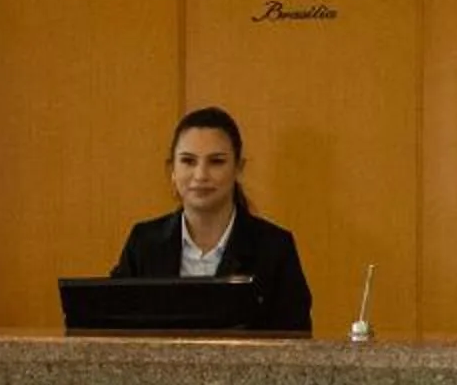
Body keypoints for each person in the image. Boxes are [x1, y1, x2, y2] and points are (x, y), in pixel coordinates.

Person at [108, 105, 313, 333]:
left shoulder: (274, 247)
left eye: (216, 162)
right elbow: (112, 328)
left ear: (238, 168)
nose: (201, 175)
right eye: (188, 161)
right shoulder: (144, 243)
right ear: (172, 170)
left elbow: (296, 343)